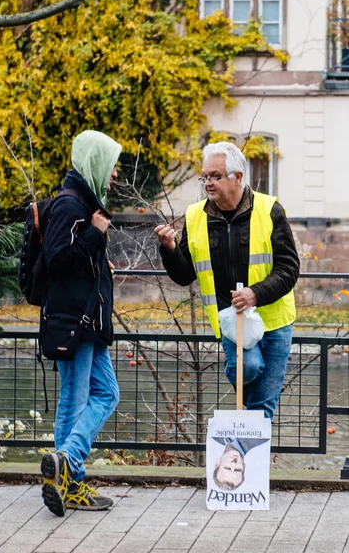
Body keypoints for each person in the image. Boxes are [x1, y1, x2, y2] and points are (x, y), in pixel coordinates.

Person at [155, 141, 300, 420]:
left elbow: (289, 267)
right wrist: (169, 249)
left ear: (238, 177)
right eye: (205, 177)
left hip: (275, 320)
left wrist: (255, 294)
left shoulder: (270, 210)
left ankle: (243, 461)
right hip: (233, 321)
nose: (208, 183)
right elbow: (185, 275)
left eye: (215, 176)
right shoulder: (195, 216)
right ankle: (244, 440)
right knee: (247, 368)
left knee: (262, 408)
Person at [40, 130, 121, 516]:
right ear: (95, 163)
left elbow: (76, 260)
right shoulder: (71, 206)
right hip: (75, 322)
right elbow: (58, 259)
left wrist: (97, 258)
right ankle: (69, 477)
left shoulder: (84, 203)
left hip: (88, 321)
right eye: (111, 165)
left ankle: (66, 464)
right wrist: (94, 234)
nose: (115, 175)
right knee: (74, 401)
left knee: (107, 393)